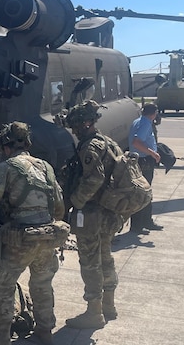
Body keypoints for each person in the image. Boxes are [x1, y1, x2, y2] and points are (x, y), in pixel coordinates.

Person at [0, 122, 66, 345]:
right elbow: (58, 206)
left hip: (20, 239)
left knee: (4, 286)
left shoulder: (5, 168)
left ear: (5, 147)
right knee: (42, 282)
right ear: (27, 144)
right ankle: (45, 331)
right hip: (47, 235)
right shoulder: (45, 167)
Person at [62, 100, 124, 327]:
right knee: (105, 256)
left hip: (91, 214)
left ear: (87, 123)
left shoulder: (90, 147)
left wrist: (76, 201)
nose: (75, 131)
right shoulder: (109, 143)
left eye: (77, 126)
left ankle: (94, 312)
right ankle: (109, 305)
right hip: (109, 212)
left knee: (89, 261)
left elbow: (94, 179)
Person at [129, 103, 163, 233]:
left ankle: (144, 222)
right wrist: (153, 153)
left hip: (139, 160)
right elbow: (137, 142)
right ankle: (140, 224)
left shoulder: (137, 121)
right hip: (144, 161)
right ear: (153, 113)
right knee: (144, 192)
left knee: (140, 192)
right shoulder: (146, 124)